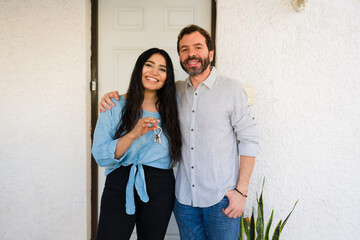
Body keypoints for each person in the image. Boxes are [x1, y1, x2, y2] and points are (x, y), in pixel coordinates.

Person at [99, 25, 260, 240]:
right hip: (185, 202)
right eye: (184, 49)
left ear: (210, 53)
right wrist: (113, 97)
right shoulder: (175, 92)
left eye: (197, 47)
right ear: (180, 57)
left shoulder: (231, 89)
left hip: (221, 199)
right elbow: (145, 88)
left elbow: (249, 139)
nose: (191, 53)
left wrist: (241, 192)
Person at [92, 48, 182, 240]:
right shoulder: (114, 105)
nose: (154, 72)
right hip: (120, 183)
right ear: (139, 68)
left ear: (167, 77)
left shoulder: (175, 108)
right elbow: (100, 155)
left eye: (162, 69)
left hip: (161, 187)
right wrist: (133, 134)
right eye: (149, 65)